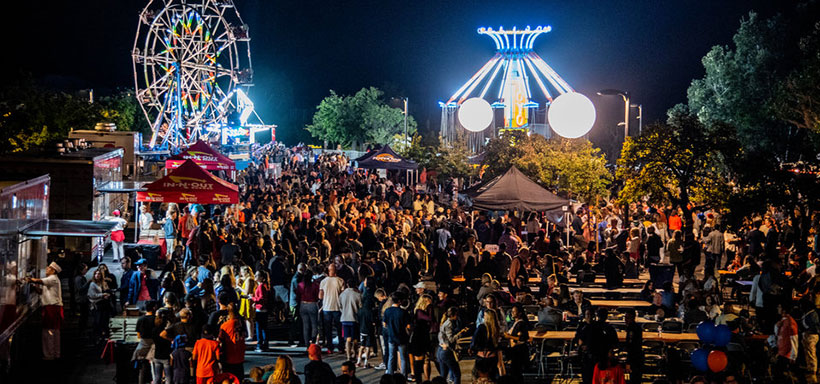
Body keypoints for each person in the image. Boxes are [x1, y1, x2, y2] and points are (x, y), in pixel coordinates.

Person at [27, 262, 63, 360]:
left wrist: (29, 279)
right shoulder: (52, 280)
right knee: (55, 331)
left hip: (51, 308)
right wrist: (34, 287)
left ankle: (49, 354)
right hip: (54, 308)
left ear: (53, 271)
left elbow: (39, 281)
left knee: (48, 331)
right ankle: (56, 353)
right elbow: (42, 291)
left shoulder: (52, 278)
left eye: (48, 268)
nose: (46, 269)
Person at [383, 291, 411, 376]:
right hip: (402, 337)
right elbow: (408, 326)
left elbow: (384, 324)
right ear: (400, 301)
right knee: (403, 358)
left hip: (391, 336)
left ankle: (390, 374)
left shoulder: (387, 311)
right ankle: (403, 375)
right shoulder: (403, 312)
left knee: (391, 357)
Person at [470, 309, 504, 378]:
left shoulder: (481, 327)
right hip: (492, 355)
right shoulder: (496, 328)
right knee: (491, 377)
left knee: (481, 378)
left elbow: (474, 342)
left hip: (482, 355)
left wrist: (473, 349)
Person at [319, 264, 344, 353]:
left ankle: (330, 347)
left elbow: (320, 296)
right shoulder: (340, 281)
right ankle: (341, 347)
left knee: (328, 329)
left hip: (327, 307)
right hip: (337, 307)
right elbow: (342, 294)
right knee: (339, 328)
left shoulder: (323, 281)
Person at [219, 305, 246, 381]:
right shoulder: (241, 323)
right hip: (240, 356)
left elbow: (220, 340)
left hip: (229, 356)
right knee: (239, 379)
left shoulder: (225, 326)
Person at [503, 304, 531, 378]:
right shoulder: (515, 323)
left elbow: (523, 338)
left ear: (519, 313)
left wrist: (509, 336)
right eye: (512, 311)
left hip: (519, 350)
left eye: (514, 312)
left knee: (516, 371)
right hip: (515, 349)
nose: (512, 313)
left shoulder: (521, 324)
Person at [437, 307, 463, 384]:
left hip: (441, 350)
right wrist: (460, 334)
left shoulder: (444, 322)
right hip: (447, 351)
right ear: (454, 315)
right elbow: (451, 339)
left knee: (443, 376)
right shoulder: (449, 324)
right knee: (457, 374)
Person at [88, 267, 113, 344]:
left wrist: (107, 294)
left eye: (99, 274)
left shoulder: (103, 283)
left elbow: (108, 290)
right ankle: (96, 337)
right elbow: (92, 295)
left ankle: (103, 336)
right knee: (97, 321)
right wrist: (102, 295)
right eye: (96, 274)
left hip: (104, 305)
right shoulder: (92, 284)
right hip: (97, 305)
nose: (97, 275)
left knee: (104, 321)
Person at [340, 279, 362, 361]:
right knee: (355, 339)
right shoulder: (358, 295)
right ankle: (355, 354)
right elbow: (360, 307)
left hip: (344, 318)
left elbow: (340, 306)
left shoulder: (342, 295)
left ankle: (348, 356)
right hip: (354, 319)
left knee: (347, 339)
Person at [152, 308, 174, 384]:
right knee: (168, 377)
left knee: (157, 377)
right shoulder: (167, 332)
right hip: (166, 356)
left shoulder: (154, 330)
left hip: (157, 355)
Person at [252, 271, 271, 352]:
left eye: (257, 275)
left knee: (259, 328)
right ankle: (265, 344)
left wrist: (253, 298)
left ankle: (260, 345)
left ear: (262, 277)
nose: (255, 276)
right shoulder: (264, 286)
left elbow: (262, 299)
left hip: (260, 309)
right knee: (264, 328)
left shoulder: (261, 286)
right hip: (263, 309)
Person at [623, 309, 643, 384]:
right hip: (637, 357)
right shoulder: (637, 327)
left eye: (627, 318)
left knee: (634, 379)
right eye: (625, 317)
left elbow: (632, 347)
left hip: (635, 359)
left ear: (633, 318)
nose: (625, 320)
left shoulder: (632, 329)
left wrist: (628, 362)